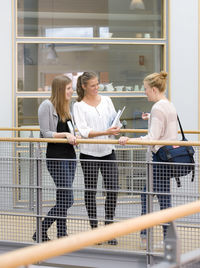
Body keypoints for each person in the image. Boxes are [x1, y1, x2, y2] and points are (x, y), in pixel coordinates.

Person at [119, 71, 178, 245]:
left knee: (154, 198)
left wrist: (128, 139)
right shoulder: (168, 104)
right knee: (156, 197)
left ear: (154, 89)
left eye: (145, 89)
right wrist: (151, 118)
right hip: (168, 157)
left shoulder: (158, 107)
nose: (144, 92)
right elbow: (166, 130)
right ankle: (155, 236)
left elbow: (151, 138)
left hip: (159, 159)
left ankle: (152, 236)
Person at [73, 72, 121, 245]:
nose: (96, 87)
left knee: (113, 189)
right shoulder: (78, 106)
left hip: (108, 151)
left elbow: (113, 120)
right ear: (84, 87)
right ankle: (94, 230)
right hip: (89, 154)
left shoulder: (107, 100)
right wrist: (106, 132)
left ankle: (108, 229)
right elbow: (84, 132)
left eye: (97, 84)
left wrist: (116, 128)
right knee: (91, 191)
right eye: (92, 85)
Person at [33, 75, 77, 242]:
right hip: (56, 158)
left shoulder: (67, 107)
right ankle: (40, 230)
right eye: (68, 88)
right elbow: (46, 133)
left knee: (62, 196)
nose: (71, 91)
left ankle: (62, 233)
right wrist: (66, 134)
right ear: (60, 90)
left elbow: (71, 130)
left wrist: (74, 134)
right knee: (68, 198)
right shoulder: (47, 106)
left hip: (70, 156)